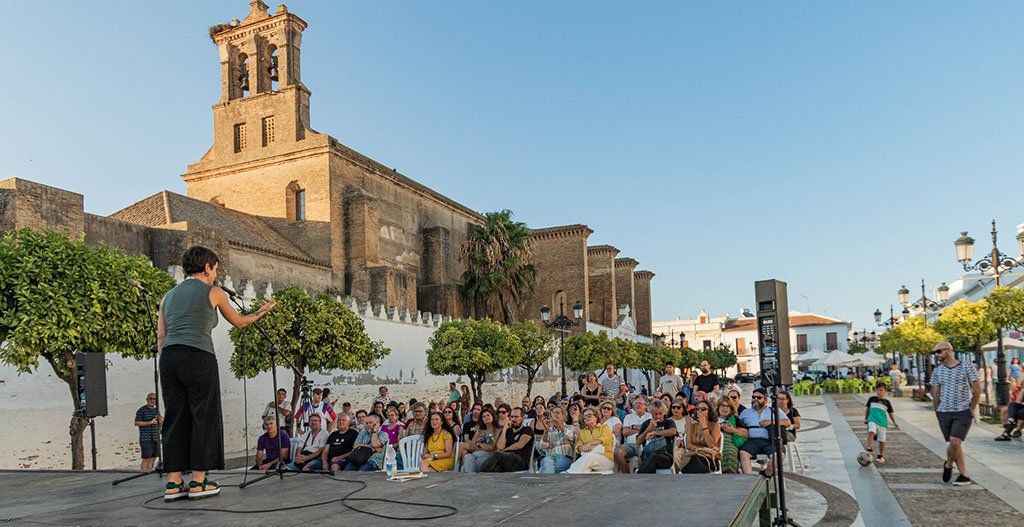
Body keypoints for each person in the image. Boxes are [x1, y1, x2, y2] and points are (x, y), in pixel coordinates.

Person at [157, 246, 276, 500]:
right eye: (215, 269)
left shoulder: (168, 296)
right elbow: (240, 321)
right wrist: (261, 311)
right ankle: (199, 482)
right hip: (198, 356)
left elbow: (161, 336)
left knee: (175, 417)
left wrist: (167, 358)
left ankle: (174, 483)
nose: (215, 275)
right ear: (207, 267)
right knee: (204, 415)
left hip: (169, 358)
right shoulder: (214, 291)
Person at [931, 341, 980, 486]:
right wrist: (937, 410)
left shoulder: (966, 366)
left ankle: (948, 465)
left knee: (955, 441)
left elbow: (976, 388)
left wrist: (972, 407)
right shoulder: (937, 371)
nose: (937, 354)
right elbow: (935, 392)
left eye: (939, 351)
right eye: (935, 352)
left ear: (949, 351)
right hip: (944, 412)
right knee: (955, 445)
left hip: (962, 411)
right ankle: (964, 476)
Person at [728, 388, 789, 476]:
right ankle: (748, 479)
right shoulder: (745, 412)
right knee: (743, 453)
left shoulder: (773, 411)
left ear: (765, 399)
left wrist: (771, 422)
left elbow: (787, 422)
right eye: (753, 397)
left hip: (769, 440)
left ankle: (766, 473)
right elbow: (739, 426)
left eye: (759, 397)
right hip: (752, 441)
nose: (755, 399)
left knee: (778, 456)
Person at [480, 407, 534, 472]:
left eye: (516, 417)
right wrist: (505, 429)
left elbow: (519, 445)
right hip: (507, 461)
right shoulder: (508, 431)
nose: (513, 419)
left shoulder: (527, 429)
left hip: (520, 460)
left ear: (522, 418)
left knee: (497, 454)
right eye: (512, 417)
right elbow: (500, 447)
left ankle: (479, 475)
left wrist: (505, 450)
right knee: (495, 469)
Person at [675, 400, 722, 473]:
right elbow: (688, 445)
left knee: (696, 460)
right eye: (697, 409)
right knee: (693, 459)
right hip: (694, 455)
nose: (699, 411)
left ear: (709, 412)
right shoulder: (693, 425)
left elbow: (711, 445)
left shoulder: (715, 425)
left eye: (703, 409)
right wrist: (700, 450)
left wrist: (704, 426)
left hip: (708, 457)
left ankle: (683, 476)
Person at [566, 408, 615, 473]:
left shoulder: (604, 427)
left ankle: (569, 473)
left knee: (589, 456)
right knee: (583, 471)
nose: (586, 418)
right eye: (584, 417)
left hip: (606, 460)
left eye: (589, 415)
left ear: (596, 417)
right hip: (589, 461)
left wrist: (589, 444)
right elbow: (578, 446)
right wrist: (581, 447)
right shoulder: (582, 432)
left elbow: (603, 439)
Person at [635, 400, 678, 473]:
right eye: (655, 414)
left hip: (665, 456)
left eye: (660, 413)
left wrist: (655, 433)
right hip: (647, 456)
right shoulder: (646, 424)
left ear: (664, 412)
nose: (658, 416)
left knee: (653, 456)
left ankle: (639, 476)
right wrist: (649, 429)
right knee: (651, 459)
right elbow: (638, 442)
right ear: (651, 413)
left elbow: (673, 431)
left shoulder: (668, 422)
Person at [864, 383, 899, 463]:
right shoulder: (872, 399)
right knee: (871, 431)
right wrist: (866, 418)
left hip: (882, 423)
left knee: (882, 440)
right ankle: (870, 448)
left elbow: (890, 414)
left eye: (881, 390)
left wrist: (894, 423)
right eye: (877, 390)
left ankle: (880, 455)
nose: (879, 392)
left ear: (885, 391)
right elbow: (867, 409)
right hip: (872, 419)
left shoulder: (887, 402)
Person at [536, 406, 577, 474]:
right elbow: (542, 447)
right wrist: (546, 431)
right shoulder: (549, 430)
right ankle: (548, 479)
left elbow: (569, 436)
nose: (554, 415)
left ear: (564, 416)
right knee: (547, 461)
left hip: (565, 459)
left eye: (557, 413)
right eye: (553, 413)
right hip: (549, 458)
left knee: (545, 467)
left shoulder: (570, 427)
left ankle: (544, 474)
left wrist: (555, 420)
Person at [613, 398, 650, 472]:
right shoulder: (628, 417)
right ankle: (627, 475)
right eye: (636, 403)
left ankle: (642, 475)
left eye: (640, 403)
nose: (638, 405)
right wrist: (642, 428)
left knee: (641, 450)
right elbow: (625, 432)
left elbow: (649, 429)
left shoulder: (649, 416)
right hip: (631, 444)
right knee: (618, 452)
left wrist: (633, 427)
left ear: (646, 406)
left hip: (645, 443)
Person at [459, 407, 498, 472]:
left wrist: (479, 445)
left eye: (488, 415)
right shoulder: (480, 431)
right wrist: (483, 447)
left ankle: (470, 479)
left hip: (489, 455)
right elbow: (472, 446)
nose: (486, 417)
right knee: (463, 467)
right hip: (477, 454)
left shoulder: (497, 430)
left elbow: (492, 447)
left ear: (493, 416)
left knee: (467, 460)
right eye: (484, 416)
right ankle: (472, 479)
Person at [134, 393, 162, 471]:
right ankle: (143, 473)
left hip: (155, 437)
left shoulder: (156, 410)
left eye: (154, 399)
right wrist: (150, 422)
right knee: (146, 458)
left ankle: (149, 473)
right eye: (150, 399)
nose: (152, 400)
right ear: (147, 399)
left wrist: (161, 422)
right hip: (146, 438)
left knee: (153, 458)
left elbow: (158, 424)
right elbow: (136, 423)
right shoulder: (141, 410)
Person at [717, 397, 744, 474]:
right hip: (714, 441)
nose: (725, 408)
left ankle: (729, 475)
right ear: (718, 407)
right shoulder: (712, 418)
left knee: (729, 452)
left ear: (731, 409)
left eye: (728, 406)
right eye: (722, 405)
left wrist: (733, 430)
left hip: (730, 442)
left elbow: (745, 434)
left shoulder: (735, 419)